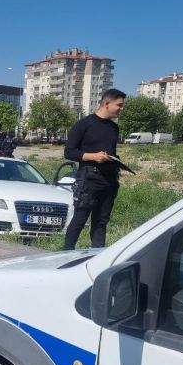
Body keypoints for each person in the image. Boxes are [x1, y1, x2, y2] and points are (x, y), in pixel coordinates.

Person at [62, 88, 126, 250]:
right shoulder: (84, 124)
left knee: (101, 222)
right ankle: (66, 253)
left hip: (109, 180)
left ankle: (97, 255)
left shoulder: (114, 127)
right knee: (80, 219)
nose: (121, 108)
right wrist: (93, 156)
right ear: (107, 103)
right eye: (119, 105)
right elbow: (69, 152)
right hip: (89, 179)